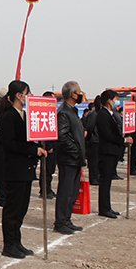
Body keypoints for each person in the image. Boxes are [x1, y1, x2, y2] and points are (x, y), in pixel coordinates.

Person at [0, 81, 47, 257]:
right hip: (15, 169)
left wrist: (39, 147)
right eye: (27, 93)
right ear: (19, 95)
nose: (29, 96)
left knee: (21, 209)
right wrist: (33, 150)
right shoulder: (9, 116)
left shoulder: (24, 115)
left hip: (26, 168)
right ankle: (9, 244)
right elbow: (10, 144)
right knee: (13, 209)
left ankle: (17, 242)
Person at [54, 81, 86, 235]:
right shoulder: (64, 112)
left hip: (75, 159)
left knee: (72, 192)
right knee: (65, 192)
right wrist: (75, 151)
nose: (81, 94)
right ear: (73, 94)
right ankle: (60, 222)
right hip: (68, 159)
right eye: (79, 92)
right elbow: (62, 136)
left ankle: (66, 220)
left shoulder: (72, 111)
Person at [95, 89, 130, 218]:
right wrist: (123, 140)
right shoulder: (102, 115)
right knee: (105, 181)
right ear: (109, 100)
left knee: (108, 180)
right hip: (106, 152)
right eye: (115, 99)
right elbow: (108, 135)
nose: (117, 102)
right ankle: (104, 208)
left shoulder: (111, 114)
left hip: (112, 151)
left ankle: (107, 207)